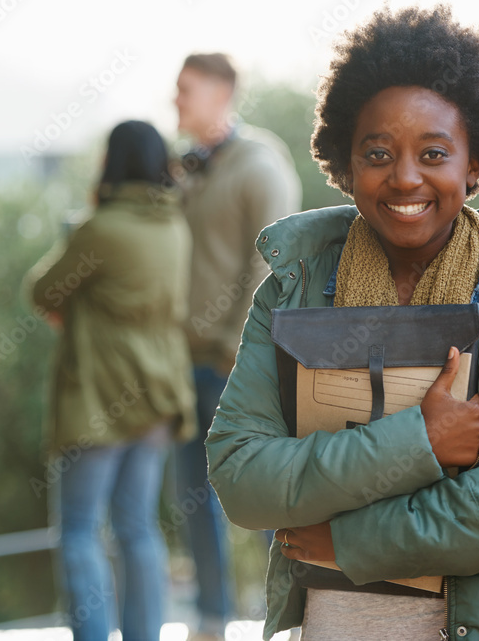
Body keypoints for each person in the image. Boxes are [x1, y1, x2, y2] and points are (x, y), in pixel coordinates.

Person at [205, 5, 479, 641]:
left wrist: (351, 541)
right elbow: (242, 479)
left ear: (475, 165)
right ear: (346, 164)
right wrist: (419, 440)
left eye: (435, 152)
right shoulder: (292, 290)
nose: (406, 176)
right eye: (379, 152)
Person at [24, 120, 198, 641]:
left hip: (100, 397)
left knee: (79, 530)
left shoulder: (99, 230)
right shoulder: (175, 226)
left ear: (111, 163)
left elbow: (42, 291)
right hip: (159, 393)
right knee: (138, 527)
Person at [173, 52, 301, 640]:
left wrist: (236, 348)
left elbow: (272, 263)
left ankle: (291, 616)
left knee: (270, 498)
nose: (175, 101)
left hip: (238, 362)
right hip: (181, 363)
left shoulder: (261, 162)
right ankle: (210, 620)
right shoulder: (189, 169)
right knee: (192, 500)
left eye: (186, 90)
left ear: (222, 92)